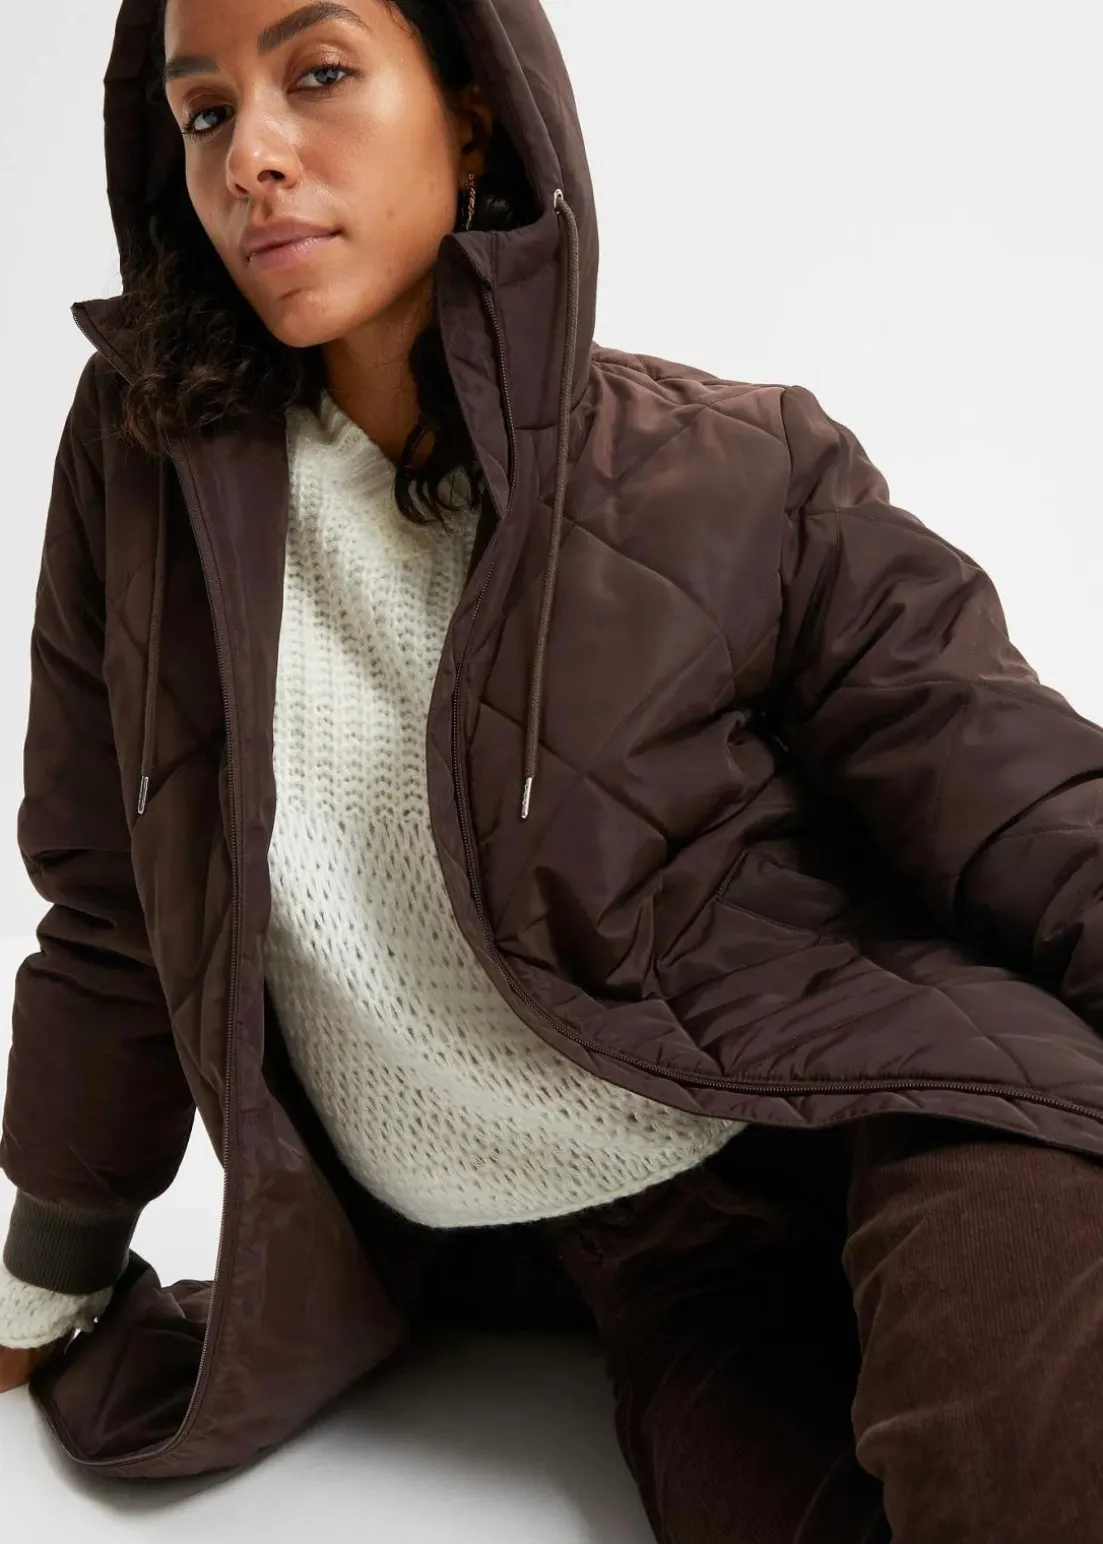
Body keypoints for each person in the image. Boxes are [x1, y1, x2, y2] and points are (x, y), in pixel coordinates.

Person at [1, 0, 1101, 1537]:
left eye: (318, 74)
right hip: (649, 1259)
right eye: (203, 112)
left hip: (904, 1101)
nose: (250, 155)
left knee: (1016, 1472)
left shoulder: (733, 466)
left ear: (472, 112)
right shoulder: (143, 473)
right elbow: (109, 903)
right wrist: (49, 1276)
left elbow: (1012, 790)